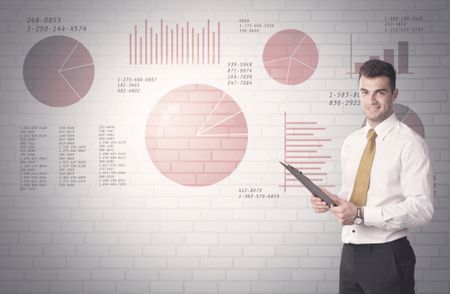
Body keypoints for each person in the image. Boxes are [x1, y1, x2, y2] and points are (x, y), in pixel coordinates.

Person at [310, 59, 433, 294]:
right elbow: (353, 193)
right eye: (365, 92)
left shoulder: (411, 144)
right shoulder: (352, 142)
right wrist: (331, 199)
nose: (371, 101)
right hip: (350, 252)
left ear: (394, 94)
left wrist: (360, 214)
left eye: (380, 92)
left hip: (389, 255)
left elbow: (422, 208)